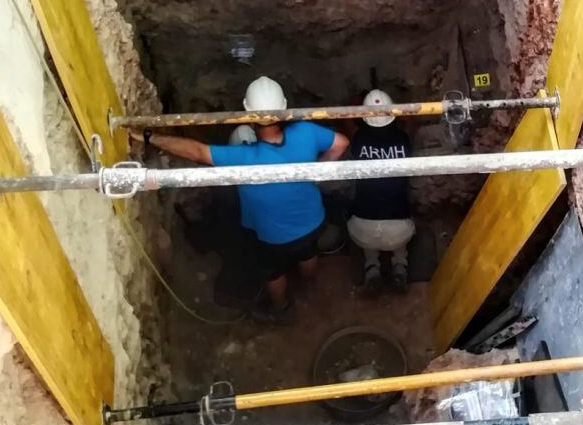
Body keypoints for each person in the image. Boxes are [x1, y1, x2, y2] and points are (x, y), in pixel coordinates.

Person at [132, 77, 348, 320]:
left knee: (273, 272)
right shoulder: (306, 132)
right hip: (311, 221)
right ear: (284, 108)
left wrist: (150, 137)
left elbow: (197, 151)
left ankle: (281, 308)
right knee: (307, 252)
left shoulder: (242, 156)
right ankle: (309, 286)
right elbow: (341, 143)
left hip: (271, 236)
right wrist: (316, 172)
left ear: (247, 114)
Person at [346, 89, 415, 295]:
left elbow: (348, 127)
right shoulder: (403, 140)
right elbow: (407, 125)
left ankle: (372, 269)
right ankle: (400, 268)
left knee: (368, 214)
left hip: (361, 231)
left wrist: (353, 106)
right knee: (400, 215)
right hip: (400, 232)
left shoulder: (358, 140)